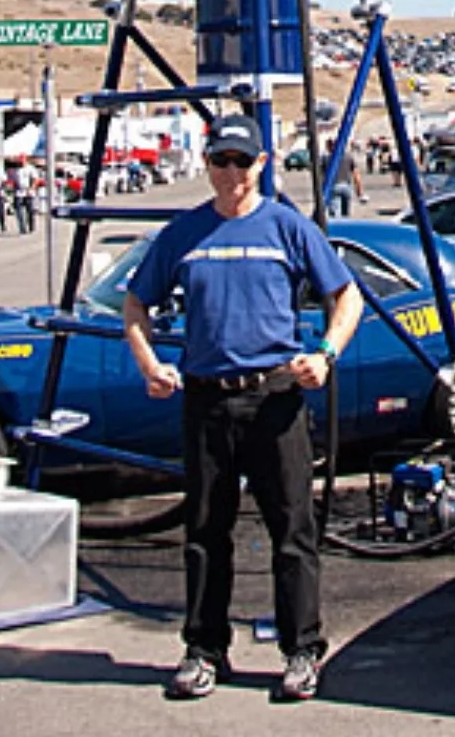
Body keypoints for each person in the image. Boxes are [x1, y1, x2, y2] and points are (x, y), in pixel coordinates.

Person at [122, 113, 363, 705]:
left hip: (275, 398)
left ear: (261, 164)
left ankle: (301, 650)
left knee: (292, 531)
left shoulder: (287, 226)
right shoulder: (183, 234)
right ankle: (204, 650)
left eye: (240, 161)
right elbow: (134, 302)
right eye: (219, 161)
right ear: (207, 165)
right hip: (206, 399)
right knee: (206, 531)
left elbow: (346, 294)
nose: (230, 173)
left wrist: (326, 353)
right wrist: (150, 364)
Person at [8, 159, 35, 234]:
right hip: (18, 192)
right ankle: (22, 228)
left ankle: (31, 226)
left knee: (30, 210)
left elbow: (35, 179)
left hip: (28, 191)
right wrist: (11, 187)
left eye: (22, 162)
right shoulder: (15, 170)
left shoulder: (30, 168)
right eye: (20, 162)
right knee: (18, 211)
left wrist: (31, 188)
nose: (21, 163)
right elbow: (12, 181)